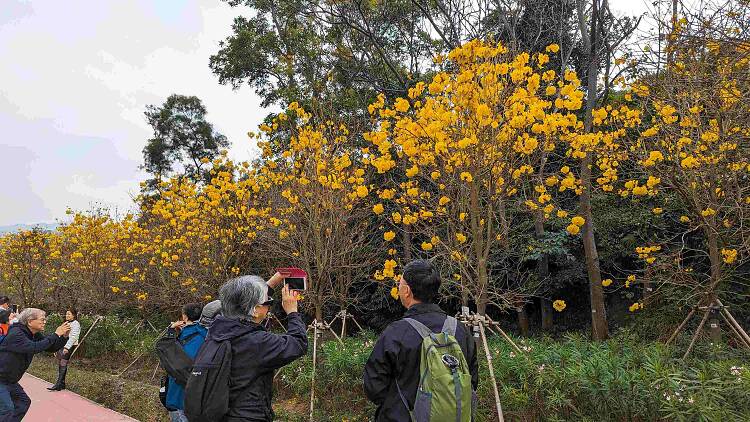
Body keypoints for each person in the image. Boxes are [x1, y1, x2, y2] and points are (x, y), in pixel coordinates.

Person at [363, 259, 479, 421]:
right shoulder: (459, 330)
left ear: (407, 291)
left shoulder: (396, 333)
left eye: (400, 284)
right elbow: (471, 380)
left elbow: (374, 387)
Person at [209, 274, 307, 421]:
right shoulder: (257, 342)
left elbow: (239, 299)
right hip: (250, 416)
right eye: (268, 302)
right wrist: (292, 312)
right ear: (255, 309)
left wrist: (273, 282)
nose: (269, 306)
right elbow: (298, 343)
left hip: (222, 414)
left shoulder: (216, 332)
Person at [0, 308, 70, 421]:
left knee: (23, 403)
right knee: (7, 409)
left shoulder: (32, 333)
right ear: (30, 321)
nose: (45, 321)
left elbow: (50, 347)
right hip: (1, 380)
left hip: (9, 380)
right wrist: (56, 334)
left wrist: (64, 337)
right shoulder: (16, 333)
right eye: (42, 319)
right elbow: (34, 347)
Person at [164, 303, 207, 422]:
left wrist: (171, 331)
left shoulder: (185, 336)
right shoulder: (208, 335)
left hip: (178, 397)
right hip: (200, 398)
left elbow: (168, 359)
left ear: (185, 317)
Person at [47, 309, 81, 391]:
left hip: (70, 345)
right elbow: (60, 335)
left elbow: (73, 337)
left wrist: (67, 347)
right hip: (62, 344)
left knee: (63, 362)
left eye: (69, 314)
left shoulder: (76, 324)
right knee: (61, 363)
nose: (67, 316)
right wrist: (56, 347)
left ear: (74, 315)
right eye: (66, 314)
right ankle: (62, 384)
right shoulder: (66, 323)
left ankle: (58, 384)